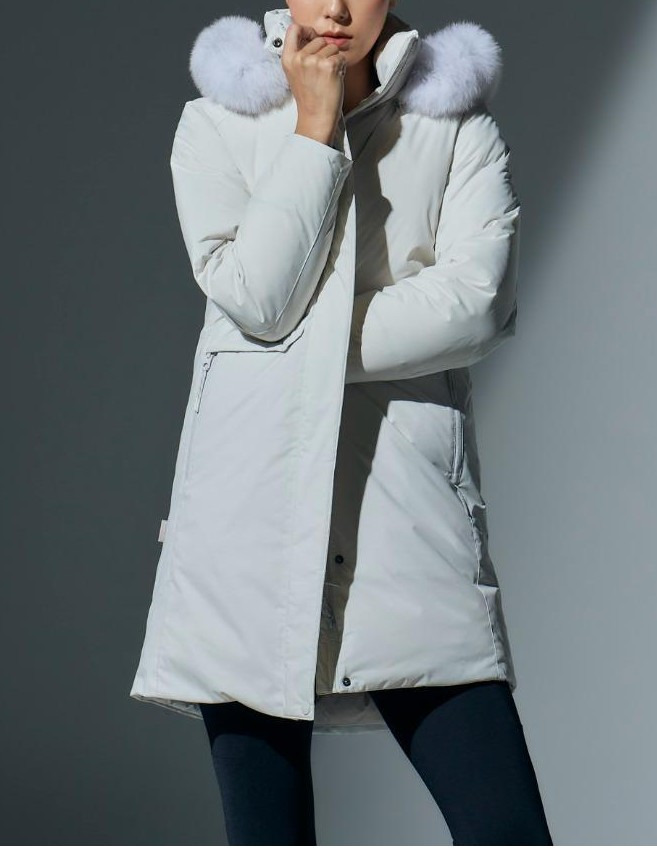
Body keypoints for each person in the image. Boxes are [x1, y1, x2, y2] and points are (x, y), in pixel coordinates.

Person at [130, 0, 553, 845]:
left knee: (505, 831)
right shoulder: (215, 124)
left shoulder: (455, 127)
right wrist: (313, 129)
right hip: (244, 533)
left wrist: (288, 345)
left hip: (406, 523)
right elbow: (258, 296)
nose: (333, 9)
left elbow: (476, 305)